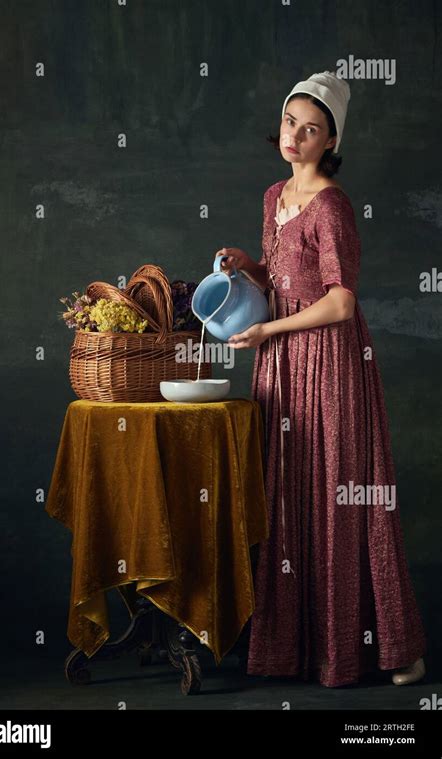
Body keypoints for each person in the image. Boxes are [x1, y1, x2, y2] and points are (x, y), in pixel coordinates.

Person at [215, 71, 426, 688]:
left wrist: (268, 334)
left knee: (340, 494)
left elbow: (339, 303)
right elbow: (279, 280)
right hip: (281, 367)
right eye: (290, 123)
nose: (296, 136)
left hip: (329, 363)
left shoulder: (332, 205)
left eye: (311, 130)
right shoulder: (272, 196)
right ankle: (301, 648)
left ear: (330, 141)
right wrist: (247, 266)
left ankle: (389, 648)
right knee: (290, 493)